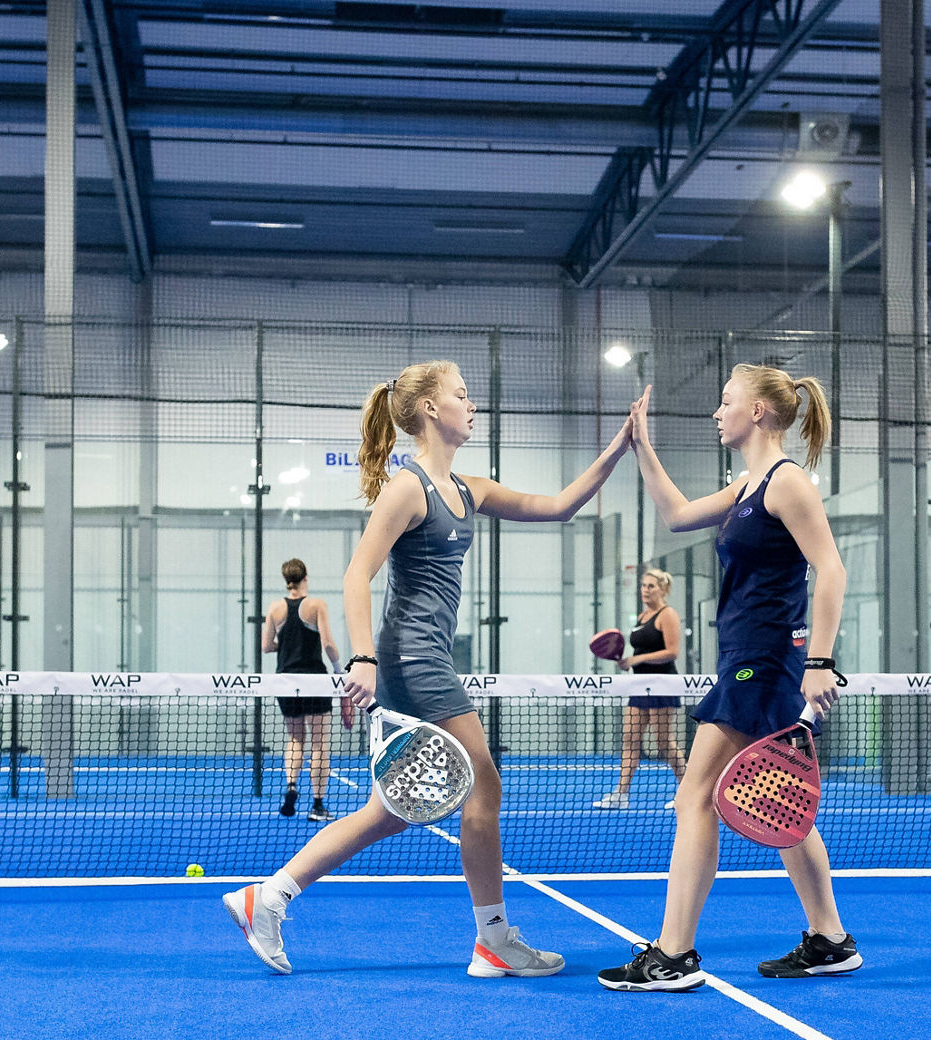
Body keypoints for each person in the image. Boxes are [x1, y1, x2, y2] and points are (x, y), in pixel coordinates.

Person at [225, 359, 632, 978]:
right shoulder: (406, 487)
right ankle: (494, 940)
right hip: (410, 657)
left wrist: (618, 448)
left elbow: (557, 506)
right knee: (484, 786)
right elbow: (358, 574)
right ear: (429, 412)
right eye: (462, 396)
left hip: (428, 655)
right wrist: (360, 657)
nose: (473, 406)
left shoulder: (470, 489)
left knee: (390, 807)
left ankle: (269, 896)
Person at [598, 364, 861, 992]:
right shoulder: (749, 485)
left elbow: (831, 569)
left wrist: (819, 662)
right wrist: (642, 446)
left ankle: (673, 954)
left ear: (760, 413)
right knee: (779, 802)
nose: (717, 413)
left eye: (726, 402)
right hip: (747, 659)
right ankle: (829, 938)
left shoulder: (787, 482)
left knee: (695, 797)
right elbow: (677, 515)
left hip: (765, 662)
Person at [262, 558, 353, 822]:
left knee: (294, 739)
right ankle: (317, 805)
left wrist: (289, 645)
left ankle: (291, 786)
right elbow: (327, 643)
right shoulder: (316, 605)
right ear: (306, 577)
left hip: (286, 681)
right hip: (315, 680)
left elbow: (267, 646)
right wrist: (339, 672)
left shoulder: (275, 608)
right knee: (320, 744)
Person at [592, 568, 687, 810]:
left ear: (663, 589)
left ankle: (688, 793)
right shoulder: (643, 616)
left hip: (662, 685)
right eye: (643, 585)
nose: (645, 590)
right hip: (639, 685)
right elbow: (641, 651)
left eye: (651, 586)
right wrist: (628, 661)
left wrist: (637, 660)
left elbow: (672, 652)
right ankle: (621, 794)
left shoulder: (668, 615)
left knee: (664, 742)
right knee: (630, 739)